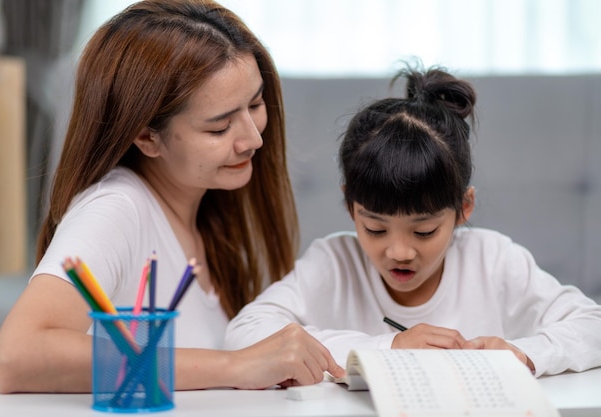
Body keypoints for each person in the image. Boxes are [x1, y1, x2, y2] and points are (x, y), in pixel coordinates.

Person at [0, 0, 344, 394]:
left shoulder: (208, 206)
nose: (253, 139)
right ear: (146, 136)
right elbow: (15, 357)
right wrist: (236, 365)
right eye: (220, 127)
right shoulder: (114, 209)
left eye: (256, 104)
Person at [225, 64, 601, 377]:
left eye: (424, 231)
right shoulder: (334, 262)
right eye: (375, 228)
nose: (399, 251)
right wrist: (389, 347)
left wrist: (523, 353)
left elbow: (593, 326)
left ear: (464, 208)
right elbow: (244, 333)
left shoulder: (494, 261)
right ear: (349, 205)